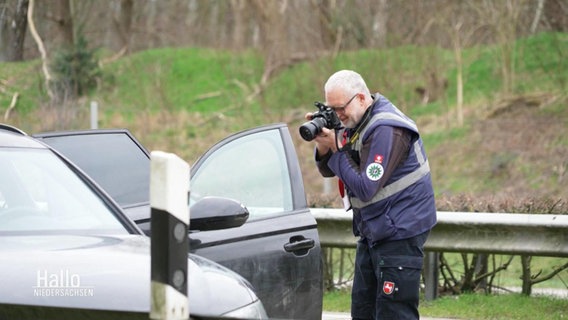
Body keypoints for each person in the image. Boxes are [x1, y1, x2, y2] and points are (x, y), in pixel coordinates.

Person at [305, 70, 437, 320]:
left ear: (362, 98)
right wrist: (324, 144)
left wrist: (337, 147)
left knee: (394, 313)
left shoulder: (387, 129)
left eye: (341, 108)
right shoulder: (356, 121)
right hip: (374, 230)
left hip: (400, 230)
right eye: (332, 110)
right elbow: (329, 169)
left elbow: (366, 188)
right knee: (363, 310)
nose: (338, 115)